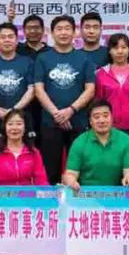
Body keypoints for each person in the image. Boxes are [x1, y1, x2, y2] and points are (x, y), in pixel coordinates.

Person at [33, 15, 96, 185]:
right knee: (50, 169)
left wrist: (70, 110)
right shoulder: (43, 58)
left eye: (67, 29)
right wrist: (57, 114)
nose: (63, 33)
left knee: (80, 169)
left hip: (78, 121)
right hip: (50, 122)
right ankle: (51, 201)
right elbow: (38, 89)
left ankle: (79, 202)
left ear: (74, 32)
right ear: (52, 33)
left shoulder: (84, 58)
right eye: (59, 29)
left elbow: (90, 89)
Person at [95, 33, 129, 183]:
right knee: (111, 169)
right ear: (109, 51)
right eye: (115, 47)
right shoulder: (101, 74)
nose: (120, 51)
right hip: (109, 129)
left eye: (124, 47)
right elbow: (97, 105)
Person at [61, 100, 129, 191]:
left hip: (116, 194)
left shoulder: (125, 140)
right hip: (86, 194)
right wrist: (71, 182)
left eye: (105, 116)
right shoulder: (79, 142)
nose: (102, 120)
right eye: (96, 117)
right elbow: (71, 173)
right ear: (90, 121)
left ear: (112, 118)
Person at [0, 109, 50, 186]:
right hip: (2, 193)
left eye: (19, 124)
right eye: (10, 124)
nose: (14, 128)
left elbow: (42, 182)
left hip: (25, 193)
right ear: (5, 128)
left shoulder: (33, 152)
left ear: (25, 128)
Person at [0, 22, 35, 139]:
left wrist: (13, 111)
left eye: (10, 37)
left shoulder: (28, 62)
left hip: (24, 124)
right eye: (3, 37)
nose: (7, 40)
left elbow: (32, 90)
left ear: (17, 41)